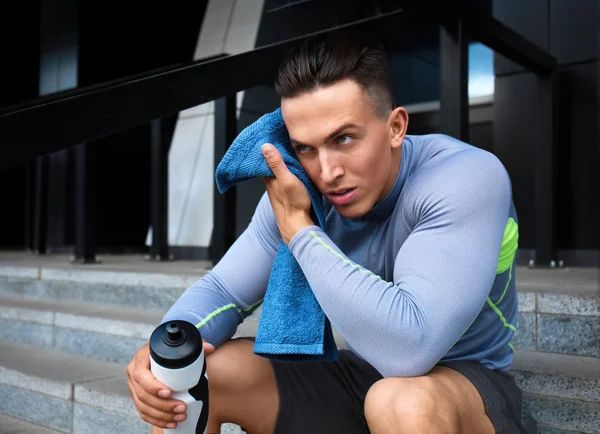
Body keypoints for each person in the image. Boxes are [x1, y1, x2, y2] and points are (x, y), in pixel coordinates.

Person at [127, 31, 525, 434]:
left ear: (395, 127)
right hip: (355, 377)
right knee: (192, 375)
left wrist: (300, 231)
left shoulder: (466, 177)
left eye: (345, 139)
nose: (328, 172)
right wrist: (162, 350)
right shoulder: (304, 188)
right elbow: (223, 292)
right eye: (305, 148)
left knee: (401, 400)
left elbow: (410, 349)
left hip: (461, 385)